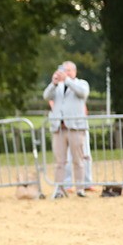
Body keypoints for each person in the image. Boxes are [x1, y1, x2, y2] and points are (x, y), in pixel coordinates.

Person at [43, 60, 90, 198]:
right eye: (64, 70)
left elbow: (83, 93)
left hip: (75, 127)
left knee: (78, 159)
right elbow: (46, 96)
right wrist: (53, 83)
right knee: (59, 161)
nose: (65, 73)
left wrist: (68, 81)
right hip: (59, 128)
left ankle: (80, 188)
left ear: (74, 72)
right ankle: (59, 189)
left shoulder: (81, 83)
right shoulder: (57, 87)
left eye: (68, 70)